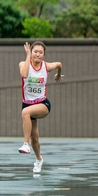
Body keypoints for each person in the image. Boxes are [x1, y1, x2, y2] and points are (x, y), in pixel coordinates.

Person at [19, 41, 63, 174]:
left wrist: (58, 75)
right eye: (35, 51)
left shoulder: (46, 66)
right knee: (35, 138)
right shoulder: (23, 64)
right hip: (28, 103)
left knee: (25, 112)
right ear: (31, 52)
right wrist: (27, 56)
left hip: (43, 104)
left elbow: (59, 64)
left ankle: (25, 144)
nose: (38, 54)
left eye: (41, 52)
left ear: (44, 54)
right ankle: (39, 159)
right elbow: (24, 75)